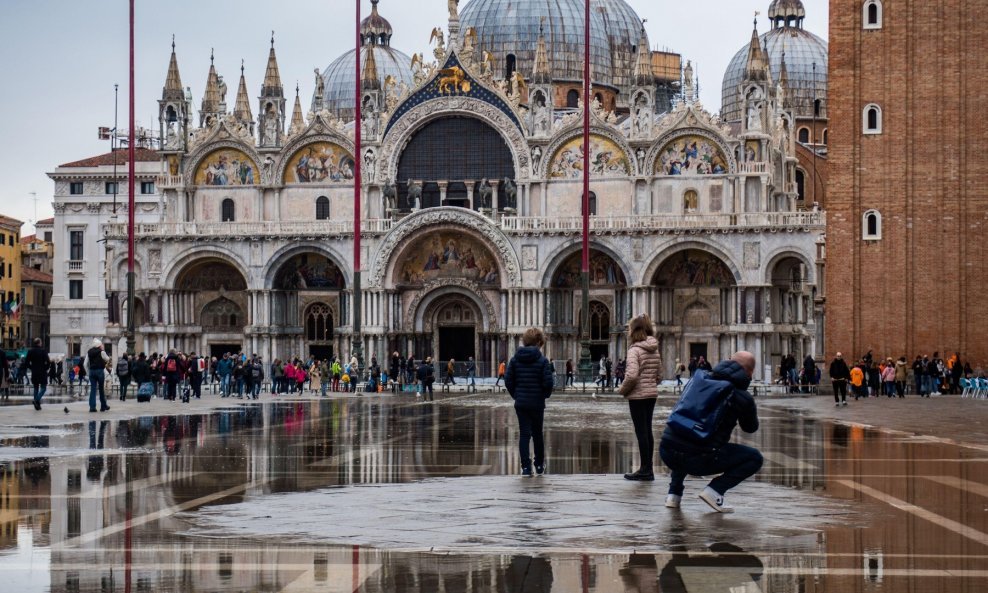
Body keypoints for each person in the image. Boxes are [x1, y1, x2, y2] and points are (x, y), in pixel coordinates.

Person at [659, 351, 762, 512]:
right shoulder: (742, 396)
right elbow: (750, 428)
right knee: (755, 458)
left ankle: (674, 494)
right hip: (700, 459)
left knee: (684, 436)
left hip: (666, 450)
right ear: (749, 372)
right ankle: (715, 491)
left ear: (728, 361)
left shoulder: (698, 379)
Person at [505, 328, 554, 477]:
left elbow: (508, 380)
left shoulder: (514, 360)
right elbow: (548, 382)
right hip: (537, 403)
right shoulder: (542, 360)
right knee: (538, 434)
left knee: (524, 434)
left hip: (521, 403)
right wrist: (543, 395)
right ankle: (539, 465)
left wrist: (516, 395)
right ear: (539, 342)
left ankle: (526, 467)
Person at [621, 315, 663, 481]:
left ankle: (645, 469)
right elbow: (659, 375)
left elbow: (631, 375)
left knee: (641, 431)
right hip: (651, 394)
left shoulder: (634, 350)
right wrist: (650, 384)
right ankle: (648, 468)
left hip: (638, 395)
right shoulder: (654, 348)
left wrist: (623, 390)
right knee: (647, 430)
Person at [85, 339, 111, 412]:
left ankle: (92, 407)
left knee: (93, 389)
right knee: (101, 389)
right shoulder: (101, 352)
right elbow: (108, 359)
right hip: (99, 371)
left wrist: (88, 372)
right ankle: (103, 406)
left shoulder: (89, 352)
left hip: (92, 372)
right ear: (99, 345)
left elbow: (85, 364)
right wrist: (103, 351)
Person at [26, 338, 49, 411]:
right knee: (43, 388)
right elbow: (48, 362)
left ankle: (37, 405)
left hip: (34, 372)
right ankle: (36, 400)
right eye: (41, 342)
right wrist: (45, 368)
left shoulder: (30, 351)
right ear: (39, 343)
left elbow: (26, 362)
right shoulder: (43, 351)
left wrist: (32, 367)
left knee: (36, 388)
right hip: (42, 371)